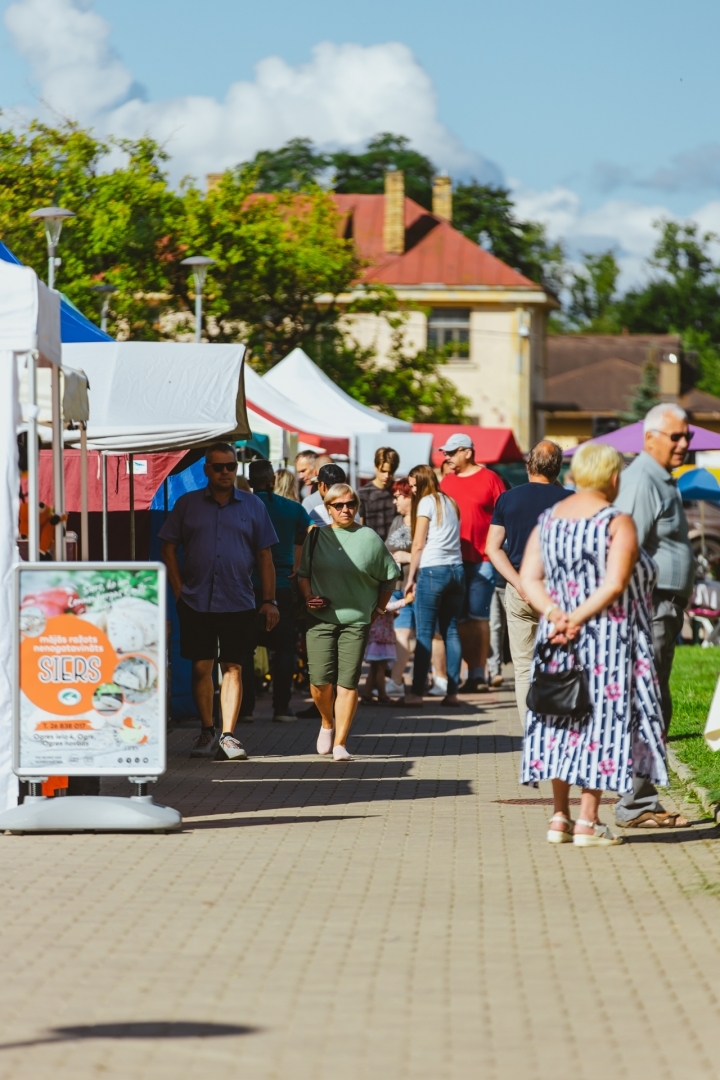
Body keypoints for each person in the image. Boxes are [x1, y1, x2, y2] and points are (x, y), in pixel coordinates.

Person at [519, 441, 668, 846]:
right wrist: (579, 618)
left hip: (557, 640)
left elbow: (529, 577)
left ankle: (558, 818)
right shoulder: (616, 520)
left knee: (557, 721)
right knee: (601, 726)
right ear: (614, 477)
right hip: (608, 640)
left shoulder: (548, 519)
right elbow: (615, 583)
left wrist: (556, 615)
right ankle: (587, 821)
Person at [159, 443, 280, 761]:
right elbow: (168, 548)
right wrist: (178, 589)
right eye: (218, 467)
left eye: (230, 467)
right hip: (196, 600)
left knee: (233, 667)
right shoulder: (187, 505)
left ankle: (228, 736)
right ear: (206, 470)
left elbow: (265, 556)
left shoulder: (253, 506)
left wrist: (270, 600)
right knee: (201, 666)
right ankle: (207, 728)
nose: (225, 472)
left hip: (238, 600)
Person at [613, 403, 695, 828]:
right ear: (650, 439)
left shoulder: (660, 478)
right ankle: (635, 802)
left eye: (688, 437)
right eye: (676, 437)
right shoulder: (643, 478)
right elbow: (627, 542)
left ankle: (640, 797)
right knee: (648, 704)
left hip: (661, 605)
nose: (684, 443)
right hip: (650, 604)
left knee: (655, 702)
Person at [298, 483, 399, 760]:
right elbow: (303, 573)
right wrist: (308, 596)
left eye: (350, 504)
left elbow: (390, 575)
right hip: (320, 618)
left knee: (348, 682)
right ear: (328, 508)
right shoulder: (317, 536)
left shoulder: (369, 537)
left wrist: (378, 609)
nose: (346, 510)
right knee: (319, 682)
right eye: (339, 505)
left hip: (356, 620)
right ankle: (326, 722)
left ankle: (340, 742)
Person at [486, 440, 569, 716]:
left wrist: (518, 582)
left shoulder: (508, 498)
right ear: (557, 469)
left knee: (523, 668)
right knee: (559, 663)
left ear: (528, 465)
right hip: (558, 592)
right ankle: (556, 729)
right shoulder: (570, 500)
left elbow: (493, 548)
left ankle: (530, 735)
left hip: (520, 587)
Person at [239, 459, 312, 722]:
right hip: (282, 584)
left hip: (246, 585)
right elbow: (308, 531)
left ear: (248, 481)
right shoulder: (292, 509)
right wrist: (296, 558)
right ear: (272, 481)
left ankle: (245, 710)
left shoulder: (241, 506)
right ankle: (281, 708)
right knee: (284, 648)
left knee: (245, 648)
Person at [440, 433, 506, 693]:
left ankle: (479, 674)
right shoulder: (446, 482)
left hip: (483, 559)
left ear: (467, 452)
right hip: (453, 560)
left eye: (451, 452)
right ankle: (470, 673)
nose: (446, 457)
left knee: (478, 617)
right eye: (446, 453)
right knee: (461, 619)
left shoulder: (491, 479)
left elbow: (504, 514)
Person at [402, 464, 465, 707]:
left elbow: (418, 544)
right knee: (451, 631)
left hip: (432, 570)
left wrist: (411, 578)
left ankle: (417, 693)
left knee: (425, 633)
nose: (412, 490)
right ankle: (452, 693)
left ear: (422, 482)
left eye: (414, 485)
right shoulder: (451, 502)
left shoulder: (427, 502)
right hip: (456, 571)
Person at [385, 479, 415, 695]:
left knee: (402, 635)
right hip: (392, 586)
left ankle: (395, 682)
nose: (394, 501)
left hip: (409, 587)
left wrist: (409, 556)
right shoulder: (397, 520)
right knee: (394, 636)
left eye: (398, 496)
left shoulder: (422, 523)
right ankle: (394, 678)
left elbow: (431, 555)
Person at [358, 446, 400, 540]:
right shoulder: (362, 493)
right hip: (371, 545)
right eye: (383, 471)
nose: (386, 476)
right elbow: (359, 527)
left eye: (390, 472)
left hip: (394, 547)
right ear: (375, 467)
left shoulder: (399, 491)